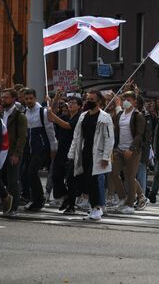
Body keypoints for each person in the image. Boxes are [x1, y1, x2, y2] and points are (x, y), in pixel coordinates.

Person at [68, 90, 114, 221]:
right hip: (84, 153)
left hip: (98, 154)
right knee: (85, 180)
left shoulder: (105, 117)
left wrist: (106, 157)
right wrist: (71, 154)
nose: (88, 101)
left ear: (99, 102)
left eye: (92, 100)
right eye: (87, 99)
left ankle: (98, 208)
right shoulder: (83, 116)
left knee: (96, 181)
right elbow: (77, 136)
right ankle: (92, 207)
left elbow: (109, 139)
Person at [110, 91, 146, 214]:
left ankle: (130, 204)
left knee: (130, 177)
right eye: (125, 99)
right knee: (112, 171)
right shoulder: (120, 114)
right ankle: (122, 198)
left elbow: (139, 134)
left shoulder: (138, 115)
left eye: (129, 99)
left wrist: (131, 149)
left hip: (133, 151)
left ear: (135, 102)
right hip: (119, 149)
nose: (126, 101)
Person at [22, 88, 58, 211]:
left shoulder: (43, 112)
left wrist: (53, 148)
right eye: (26, 99)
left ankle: (39, 199)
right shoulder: (25, 112)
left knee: (32, 172)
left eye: (31, 98)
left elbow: (50, 130)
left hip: (41, 148)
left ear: (35, 98)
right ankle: (35, 198)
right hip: (29, 148)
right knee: (28, 173)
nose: (28, 101)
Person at [47, 94, 82, 214]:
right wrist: (55, 100)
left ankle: (71, 205)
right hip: (61, 149)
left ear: (79, 106)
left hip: (72, 151)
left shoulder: (79, 117)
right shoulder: (65, 116)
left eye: (74, 103)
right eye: (70, 102)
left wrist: (53, 116)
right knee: (56, 175)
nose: (70, 104)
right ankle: (65, 196)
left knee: (71, 179)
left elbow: (67, 126)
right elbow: (51, 118)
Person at [0, 88, 27, 216]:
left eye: (6, 97)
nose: (3, 99)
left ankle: (13, 206)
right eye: (3, 97)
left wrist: (17, 154)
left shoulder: (19, 115)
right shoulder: (1, 113)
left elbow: (22, 136)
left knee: (13, 180)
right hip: (1, 151)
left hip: (12, 152)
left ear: (13, 99)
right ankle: (4, 203)